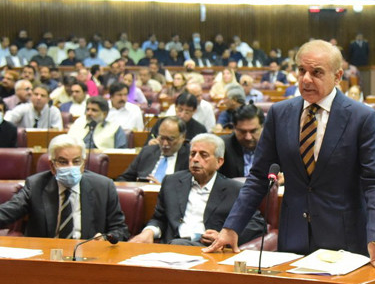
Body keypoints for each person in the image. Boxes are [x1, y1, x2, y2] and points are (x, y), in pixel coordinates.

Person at [204, 39, 375, 270]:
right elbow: (258, 177)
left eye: (316, 72)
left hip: (344, 239)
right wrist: (231, 228)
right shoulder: (280, 113)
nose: (306, 79)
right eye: (301, 71)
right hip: (293, 236)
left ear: (337, 77)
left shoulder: (362, 118)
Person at [128, 133, 265, 246]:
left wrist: (225, 235)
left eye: (203, 155)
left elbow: (257, 224)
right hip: (171, 247)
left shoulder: (234, 189)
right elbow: (159, 218)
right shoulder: (171, 182)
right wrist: (149, 232)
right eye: (192, 154)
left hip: (208, 249)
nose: (195, 159)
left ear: (219, 162)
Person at [0, 134, 130, 241]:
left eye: (76, 161)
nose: (70, 166)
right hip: (45, 258)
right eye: (63, 162)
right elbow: (7, 212)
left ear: (83, 165)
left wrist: (106, 238)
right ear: (52, 166)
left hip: (88, 258)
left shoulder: (103, 187)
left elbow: (120, 230)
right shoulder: (36, 185)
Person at [116, 116, 189, 183]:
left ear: (182, 137)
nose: (165, 144)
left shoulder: (190, 156)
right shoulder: (147, 152)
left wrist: (162, 188)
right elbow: (124, 178)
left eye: (170, 139)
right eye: (161, 138)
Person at [219, 104, 264, 178]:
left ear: (262, 127)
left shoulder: (274, 146)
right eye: (242, 132)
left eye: (253, 131)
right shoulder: (222, 146)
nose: (248, 137)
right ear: (234, 128)